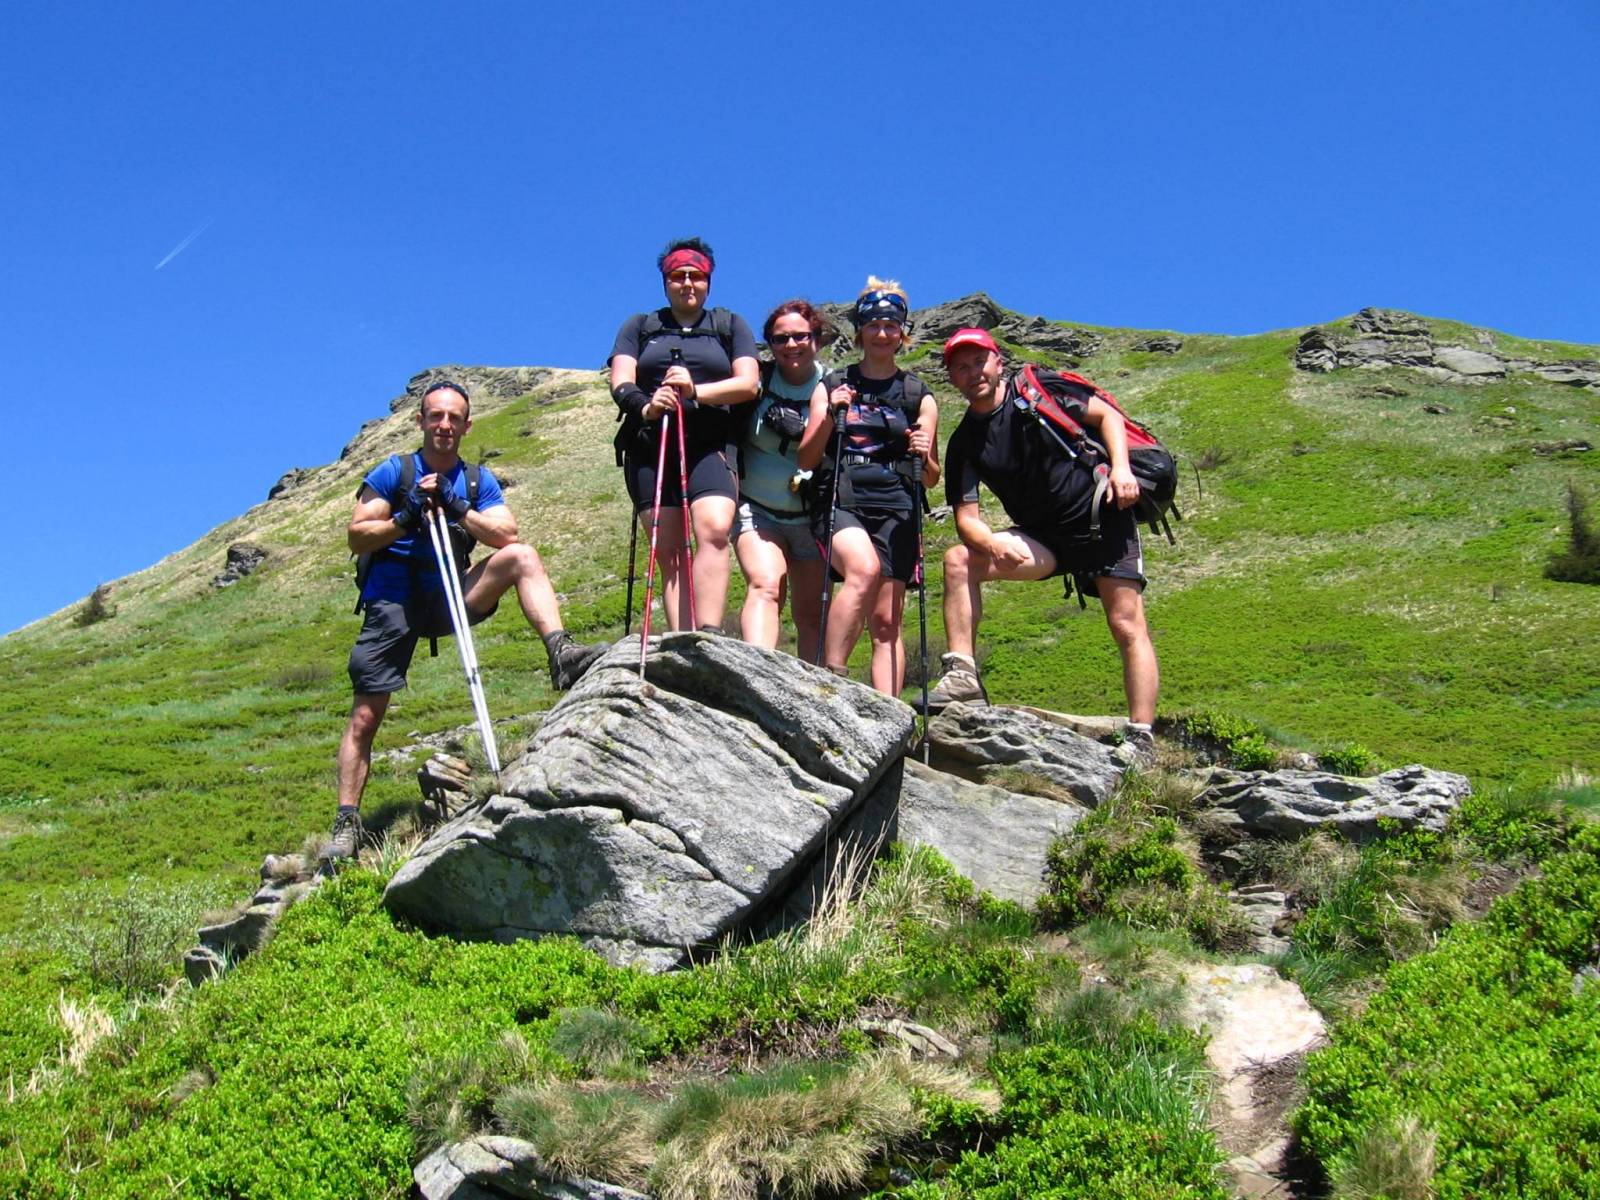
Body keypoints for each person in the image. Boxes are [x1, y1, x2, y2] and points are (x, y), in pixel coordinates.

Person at [329, 380, 608, 861]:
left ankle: (561, 653)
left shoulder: (476, 481)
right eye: (436, 416)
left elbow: (506, 533)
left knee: (522, 555)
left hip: (449, 593)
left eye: (454, 418)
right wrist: (404, 518)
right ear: (420, 421)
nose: (444, 425)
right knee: (366, 715)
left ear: (467, 426)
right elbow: (357, 536)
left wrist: (457, 507)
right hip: (393, 600)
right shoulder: (394, 472)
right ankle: (346, 821)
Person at [932, 327, 1159, 754]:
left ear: (998, 362)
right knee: (959, 560)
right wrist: (992, 544)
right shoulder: (964, 442)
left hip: (1102, 517)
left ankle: (1141, 737)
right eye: (961, 368)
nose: (973, 373)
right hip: (1043, 540)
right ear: (952, 378)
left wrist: (1122, 470)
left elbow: (1107, 416)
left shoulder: (1039, 392)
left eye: (979, 362)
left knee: (1126, 623)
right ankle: (963, 675)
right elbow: (967, 519)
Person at [608, 238, 760, 632]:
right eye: (678, 275)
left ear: (709, 282)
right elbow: (620, 381)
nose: (688, 283)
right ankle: (683, 637)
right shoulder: (640, 327)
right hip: (651, 446)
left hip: (711, 444)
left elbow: (749, 384)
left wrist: (696, 392)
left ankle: (707, 635)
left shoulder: (729, 325)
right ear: (665, 281)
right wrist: (647, 405)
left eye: (697, 276)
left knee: (714, 530)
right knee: (670, 549)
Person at [797, 278, 938, 694]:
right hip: (841, 497)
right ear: (860, 330)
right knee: (863, 569)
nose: (882, 333)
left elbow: (931, 476)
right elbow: (806, 459)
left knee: (886, 621)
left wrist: (925, 454)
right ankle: (831, 682)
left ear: (902, 332)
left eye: (891, 325)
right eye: (873, 325)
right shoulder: (832, 385)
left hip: (898, 506)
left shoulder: (917, 394)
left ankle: (888, 710)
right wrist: (830, 414)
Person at [733, 300, 832, 658]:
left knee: (812, 615)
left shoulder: (835, 385)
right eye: (780, 338)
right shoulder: (756, 381)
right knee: (766, 585)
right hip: (756, 509)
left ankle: (813, 687)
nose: (791, 345)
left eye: (800, 336)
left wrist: (806, 430)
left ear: (816, 339)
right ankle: (755, 673)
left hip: (812, 516)